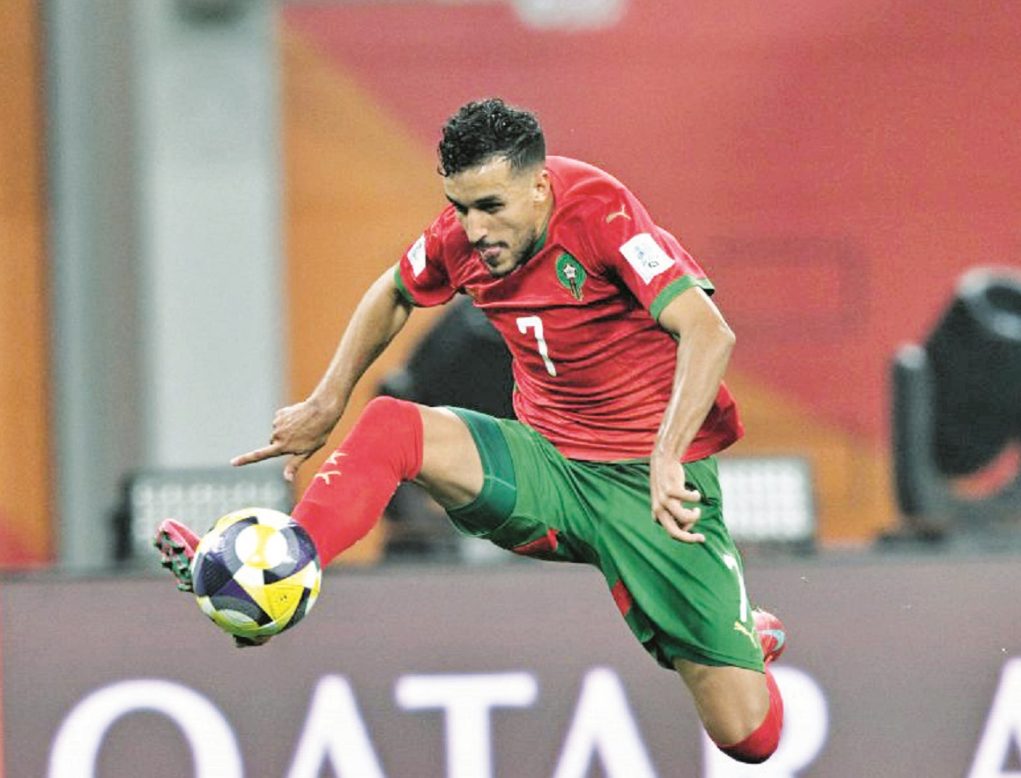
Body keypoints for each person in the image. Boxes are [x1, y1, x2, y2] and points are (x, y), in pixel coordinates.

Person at [156, 97, 786, 764]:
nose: (475, 229)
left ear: (539, 185)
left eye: (491, 206)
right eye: (460, 207)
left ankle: (747, 635)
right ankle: (279, 577)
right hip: (546, 466)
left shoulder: (604, 214)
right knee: (392, 426)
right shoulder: (460, 239)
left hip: (650, 491)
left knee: (749, 739)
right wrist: (327, 400)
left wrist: (666, 455)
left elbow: (708, 332)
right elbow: (393, 292)